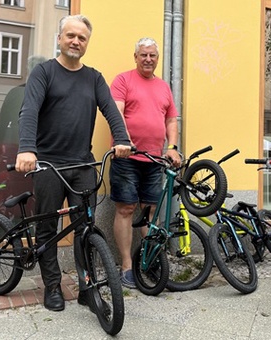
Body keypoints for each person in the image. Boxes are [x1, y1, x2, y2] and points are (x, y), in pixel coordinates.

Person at [15, 15, 132, 312]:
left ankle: (86, 287)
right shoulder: (43, 73)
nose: (76, 41)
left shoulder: (93, 77)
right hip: (48, 165)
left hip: (82, 165)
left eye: (82, 37)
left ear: (87, 43)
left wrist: (121, 138)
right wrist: (27, 149)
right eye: (70, 35)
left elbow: (111, 112)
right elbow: (29, 112)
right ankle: (52, 286)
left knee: (85, 229)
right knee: (47, 228)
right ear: (59, 38)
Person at [109, 37, 181, 288]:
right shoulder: (123, 80)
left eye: (152, 55)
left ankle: (148, 262)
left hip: (155, 159)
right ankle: (127, 266)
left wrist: (171, 148)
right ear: (135, 56)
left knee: (151, 211)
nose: (148, 59)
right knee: (126, 209)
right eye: (143, 55)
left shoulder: (163, 87)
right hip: (126, 157)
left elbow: (171, 120)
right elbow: (115, 111)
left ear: (157, 58)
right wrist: (124, 140)